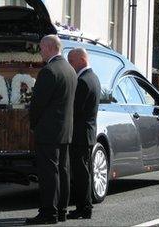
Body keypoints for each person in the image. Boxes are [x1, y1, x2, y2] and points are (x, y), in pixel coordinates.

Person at [27, 35, 77, 225]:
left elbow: (37, 104)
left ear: (48, 47)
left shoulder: (49, 71)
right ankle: (62, 210)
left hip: (48, 130)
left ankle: (49, 212)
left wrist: (33, 126)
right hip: (65, 130)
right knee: (62, 171)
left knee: (49, 173)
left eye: (41, 48)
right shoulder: (70, 70)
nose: (40, 52)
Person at [67, 48, 101, 219]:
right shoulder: (93, 78)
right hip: (86, 133)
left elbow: (75, 109)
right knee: (83, 171)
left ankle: (84, 207)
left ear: (81, 60)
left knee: (80, 173)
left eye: (71, 61)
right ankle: (84, 206)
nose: (69, 65)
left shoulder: (83, 81)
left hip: (80, 133)